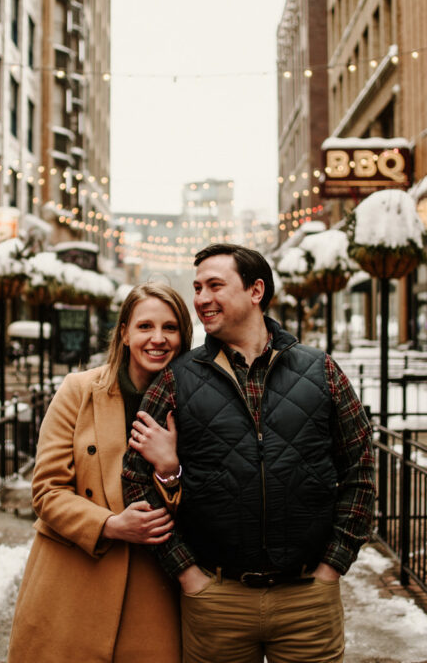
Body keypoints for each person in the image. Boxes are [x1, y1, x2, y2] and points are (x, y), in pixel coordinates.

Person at [122, 243, 375, 663]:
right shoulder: (176, 379)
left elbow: (360, 470)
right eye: (198, 287)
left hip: (307, 601)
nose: (201, 298)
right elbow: (134, 479)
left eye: (215, 285)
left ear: (256, 291)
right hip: (216, 599)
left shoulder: (321, 370)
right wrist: (187, 574)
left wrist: (333, 567)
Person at [8, 282, 193, 663]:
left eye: (170, 328)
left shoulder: (196, 402)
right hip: (73, 580)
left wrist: (170, 470)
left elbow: (213, 498)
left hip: (153, 588)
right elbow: (46, 491)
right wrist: (110, 525)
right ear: (124, 332)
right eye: (145, 326)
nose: (157, 338)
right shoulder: (79, 391)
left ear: (183, 335)